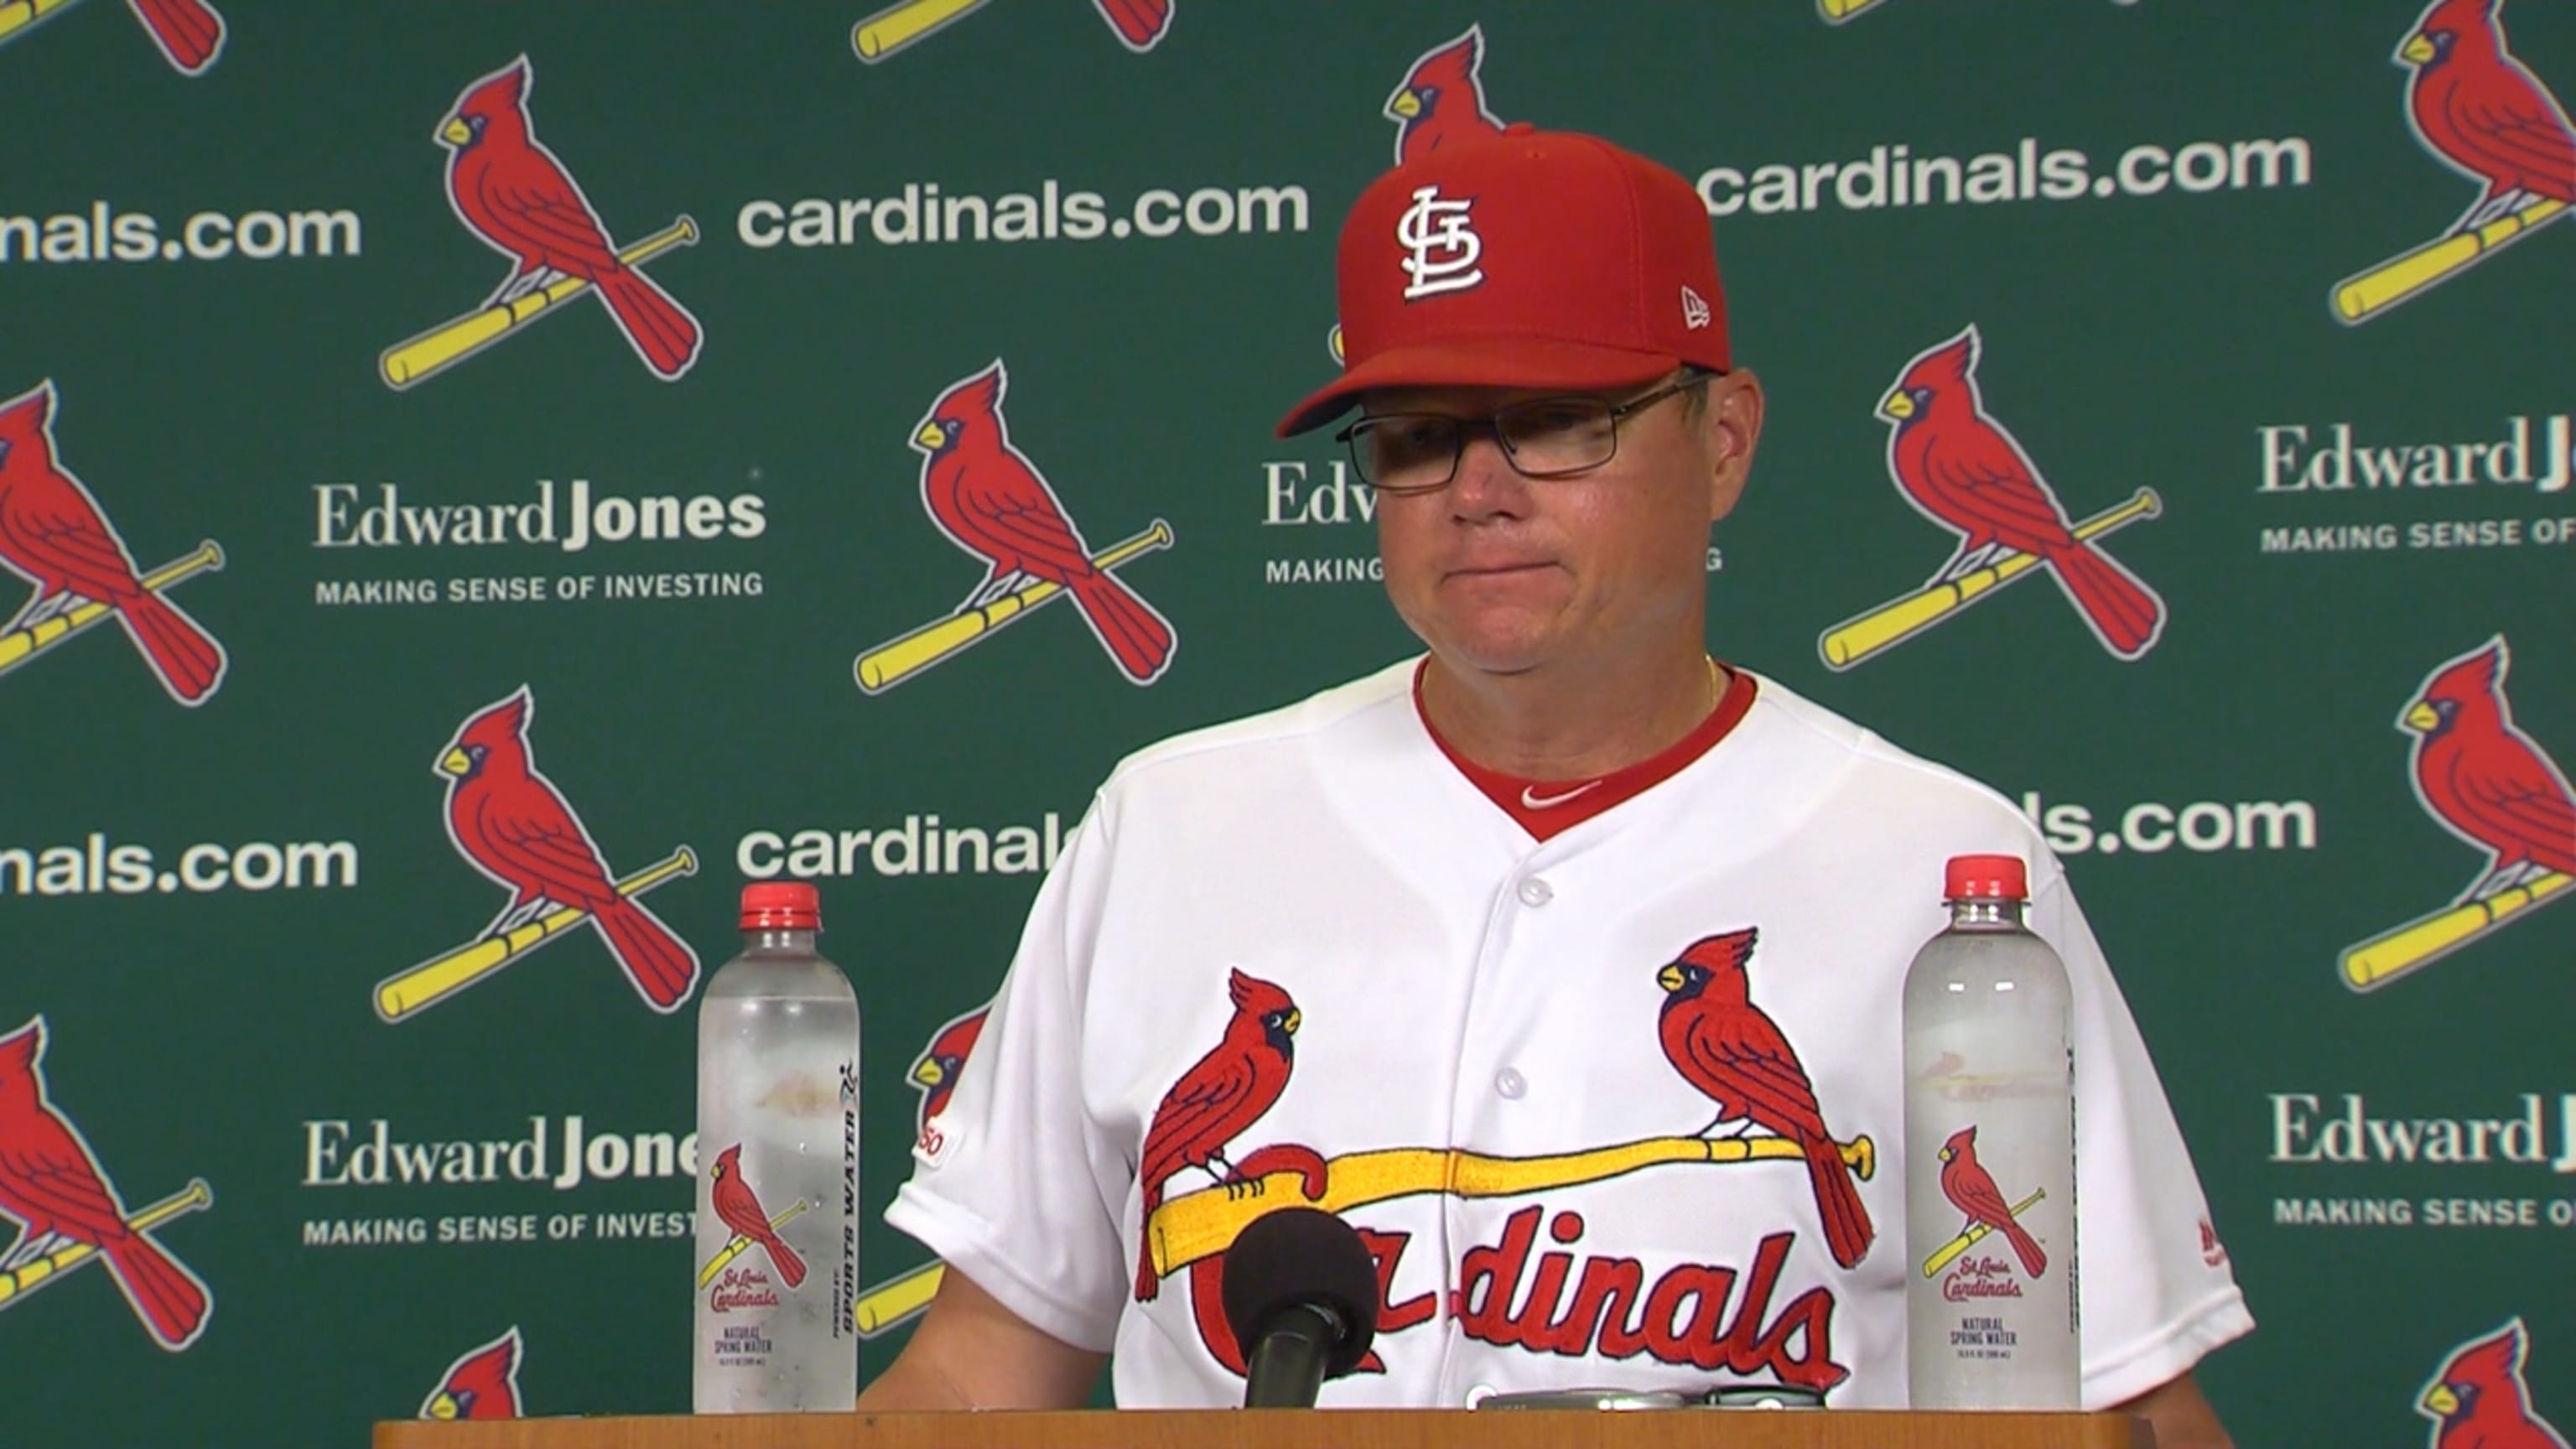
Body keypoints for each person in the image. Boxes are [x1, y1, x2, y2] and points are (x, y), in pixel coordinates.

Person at [857, 125, 2251, 1444]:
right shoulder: (1168, 824)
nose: (1479, 488)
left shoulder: (1944, 868)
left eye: (1558, 420)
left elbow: (2134, 1408)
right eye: (1418, 434)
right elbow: (980, 1375)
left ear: (1723, 440)